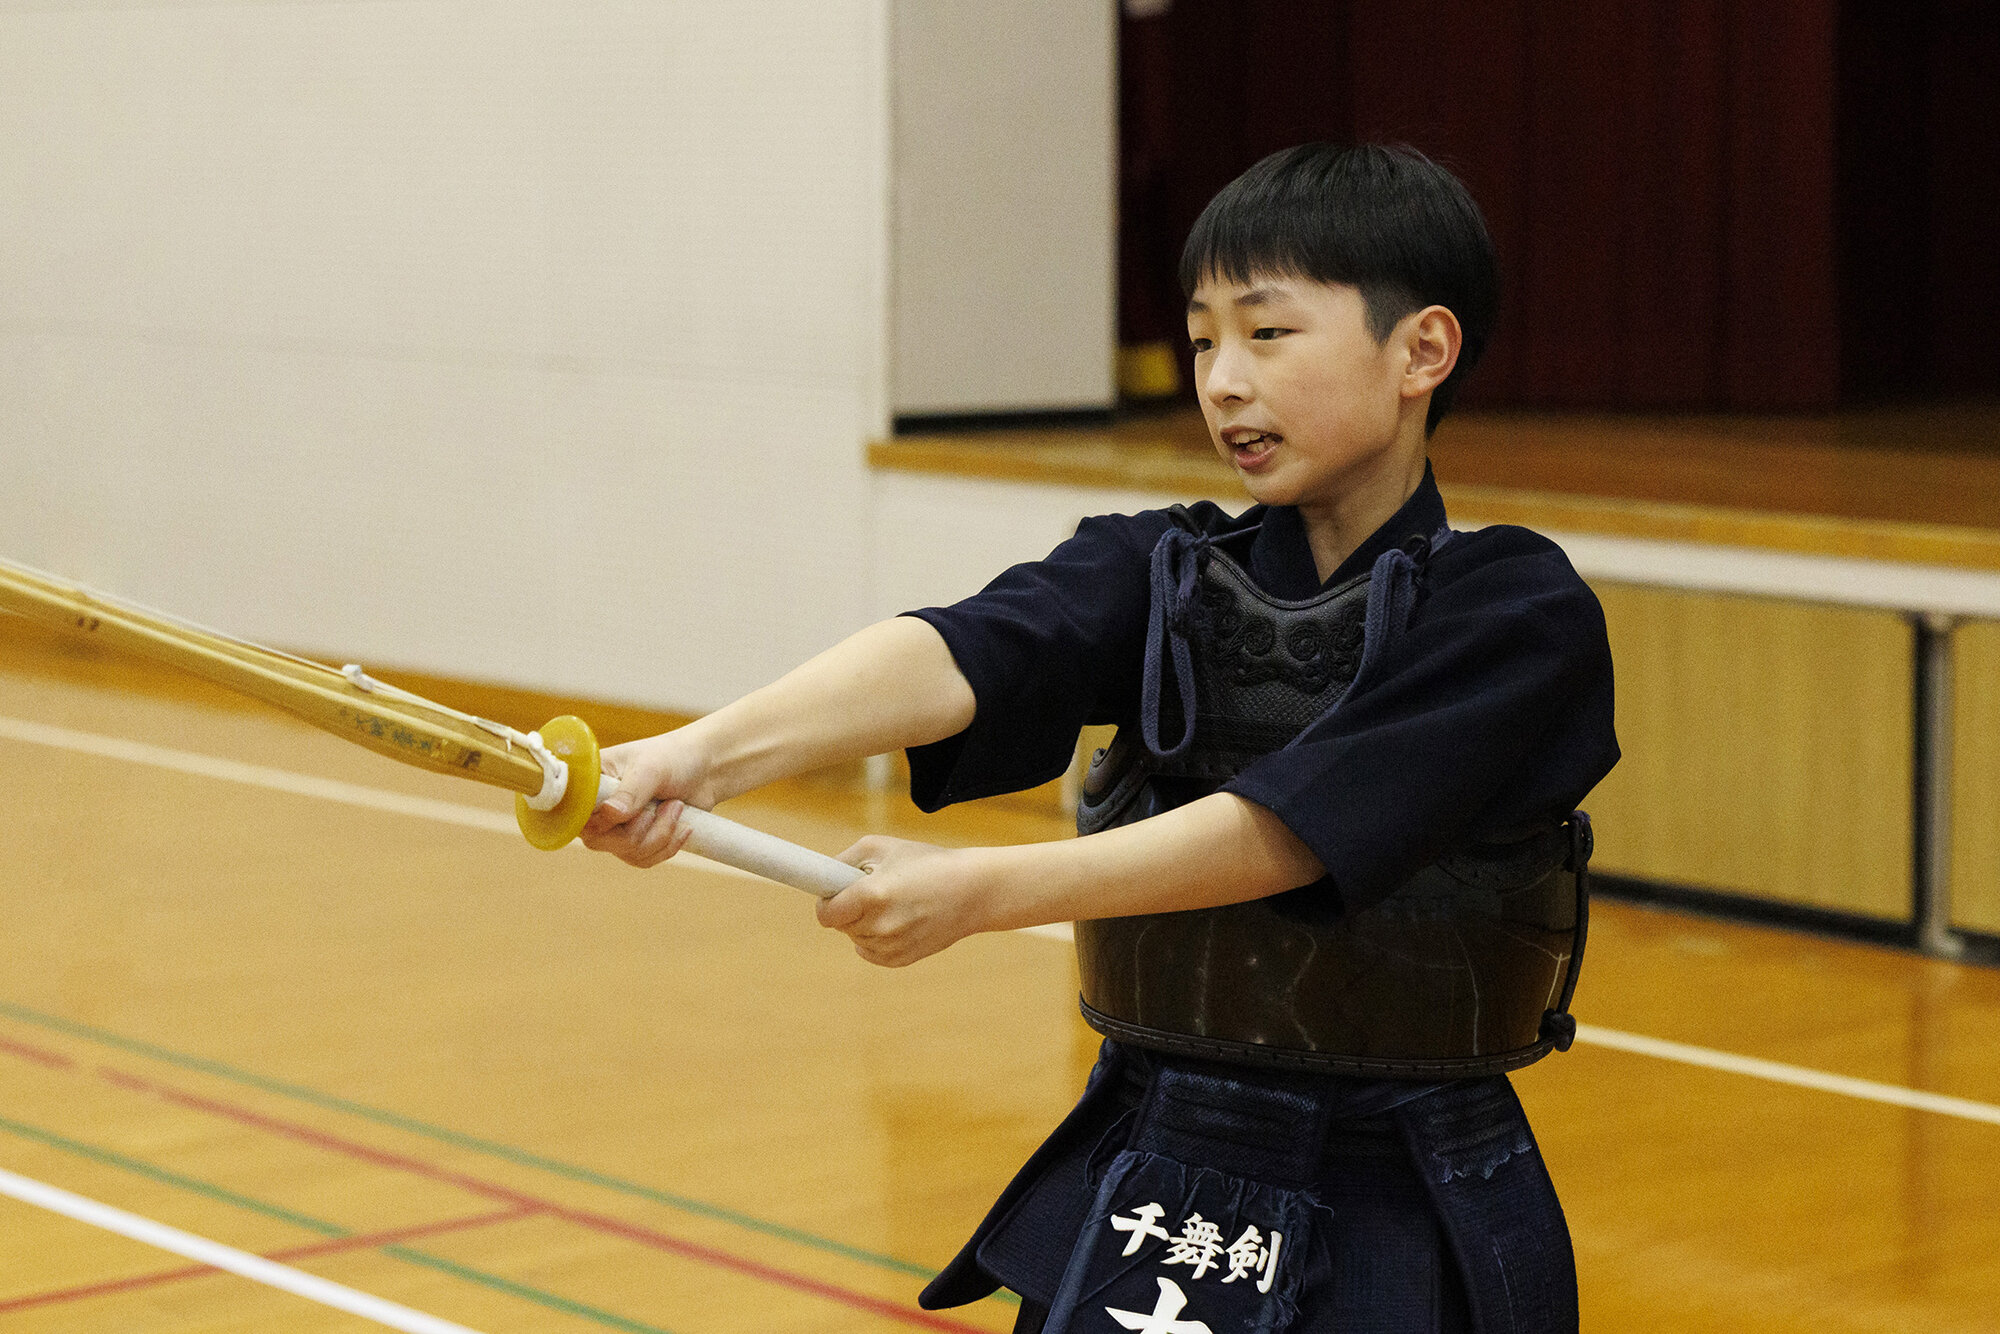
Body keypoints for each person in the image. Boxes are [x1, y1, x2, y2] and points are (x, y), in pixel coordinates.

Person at [583, 143, 1618, 1334]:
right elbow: (966, 648)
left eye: (1265, 334)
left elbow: (1296, 828)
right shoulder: (1161, 566)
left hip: (1399, 1165)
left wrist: (983, 890)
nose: (1221, 380)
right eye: (1199, 341)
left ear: (1419, 351)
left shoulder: (1513, 610)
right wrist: (697, 757)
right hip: (1156, 1144)